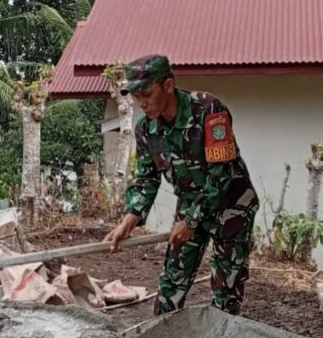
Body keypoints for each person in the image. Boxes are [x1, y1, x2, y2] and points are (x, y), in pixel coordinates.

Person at [105, 54, 260, 316]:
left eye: (147, 94)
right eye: (136, 96)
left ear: (168, 85)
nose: (142, 103)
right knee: (171, 284)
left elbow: (220, 175)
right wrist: (129, 220)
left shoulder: (210, 111)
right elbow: (146, 179)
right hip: (190, 204)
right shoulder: (146, 130)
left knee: (226, 291)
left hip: (231, 206)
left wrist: (190, 221)